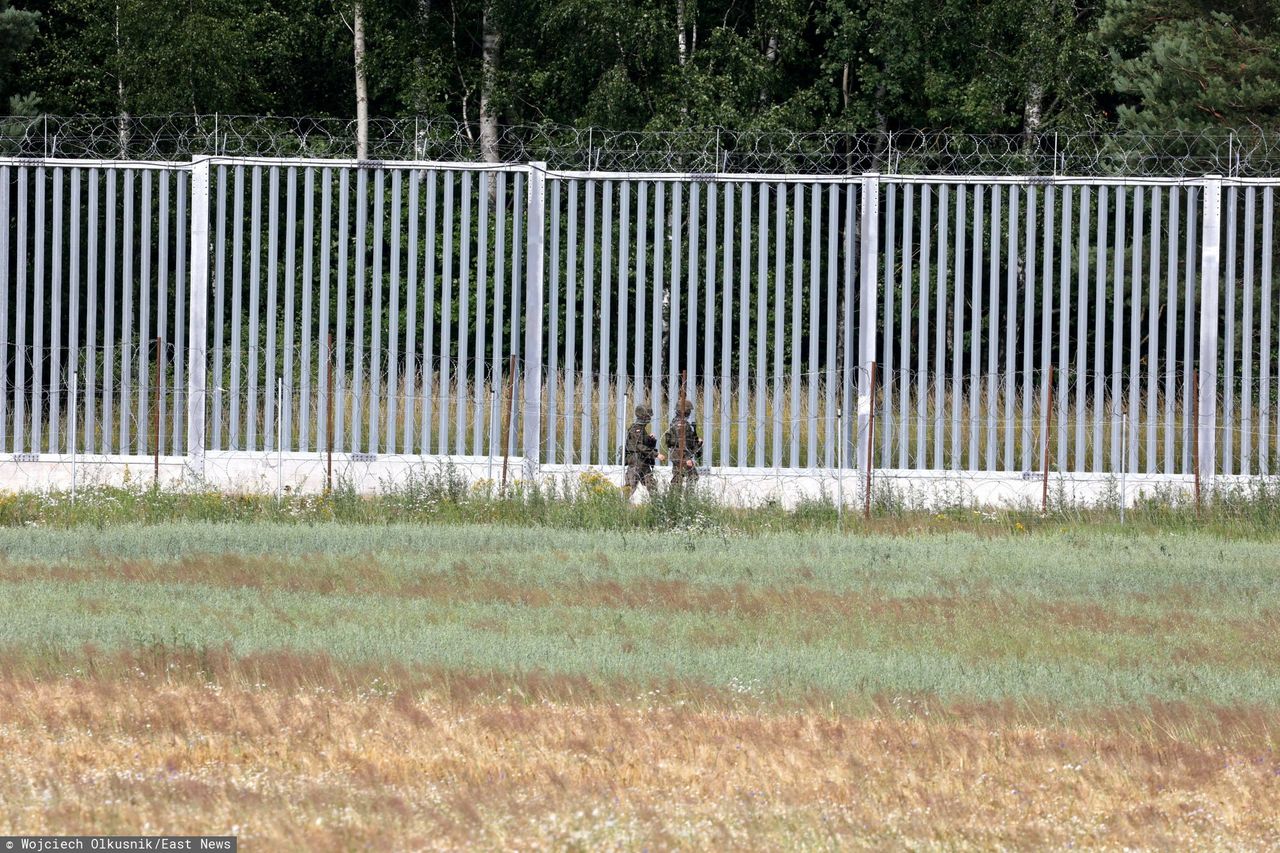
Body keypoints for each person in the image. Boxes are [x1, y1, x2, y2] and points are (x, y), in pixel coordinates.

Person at [622, 404, 660, 503]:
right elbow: (639, 446)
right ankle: (620, 506)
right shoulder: (636, 429)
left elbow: (642, 443)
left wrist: (650, 439)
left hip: (643, 461)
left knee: (651, 485)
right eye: (647, 416)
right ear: (642, 416)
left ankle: (656, 506)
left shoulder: (641, 429)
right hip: (636, 461)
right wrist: (656, 455)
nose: (649, 418)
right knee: (631, 486)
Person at [662, 399, 703, 488]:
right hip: (681, 455)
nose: (689, 412)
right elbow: (682, 443)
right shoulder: (682, 425)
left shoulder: (676, 422)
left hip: (677, 454)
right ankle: (688, 498)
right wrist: (687, 458)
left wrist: (697, 443)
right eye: (689, 410)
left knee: (678, 477)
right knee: (692, 476)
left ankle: (673, 498)